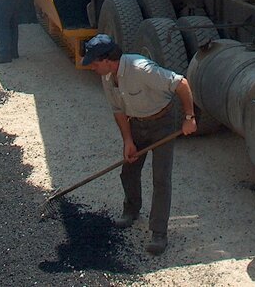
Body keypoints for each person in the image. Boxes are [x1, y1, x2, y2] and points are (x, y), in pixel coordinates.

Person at [81, 33, 198, 255]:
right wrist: (128, 141)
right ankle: (131, 210)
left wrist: (189, 118)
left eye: (95, 63)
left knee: (161, 178)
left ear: (108, 60)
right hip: (137, 123)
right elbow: (118, 111)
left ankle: (159, 233)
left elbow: (181, 83)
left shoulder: (142, 69)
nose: (92, 68)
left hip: (162, 121)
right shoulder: (107, 78)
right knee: (129, 170)